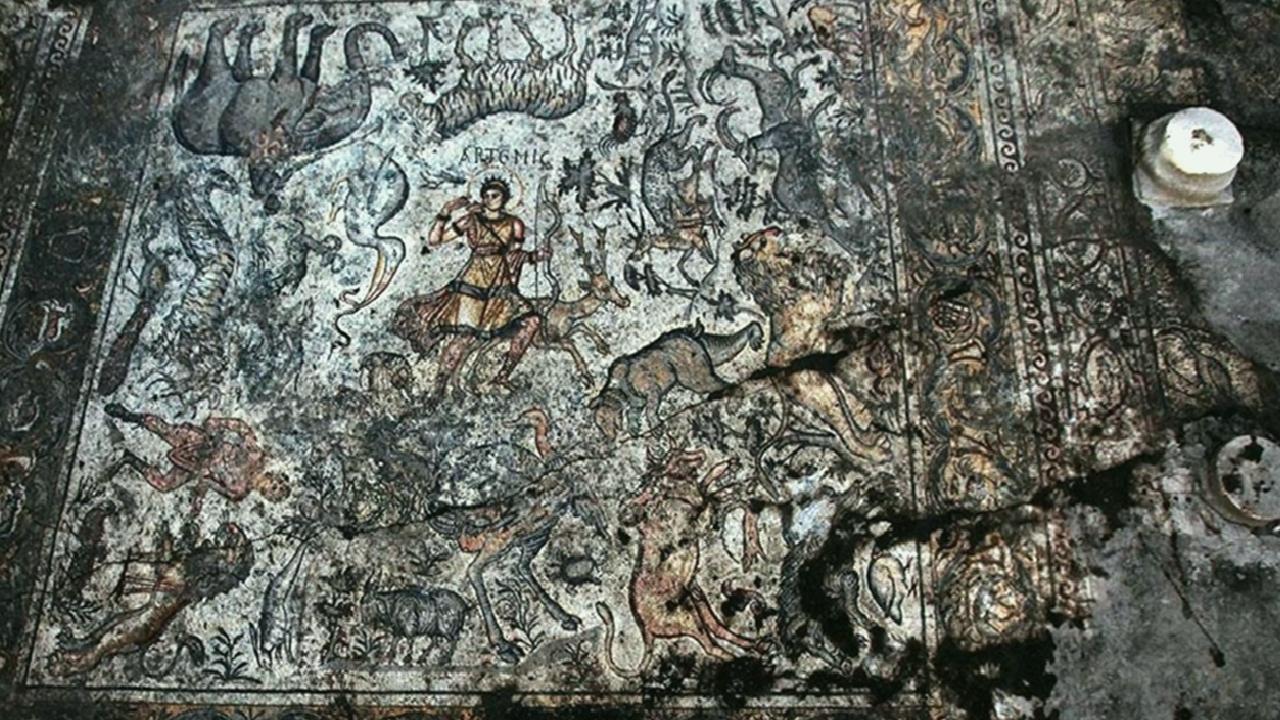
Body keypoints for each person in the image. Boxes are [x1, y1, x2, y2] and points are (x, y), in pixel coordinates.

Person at [392, 176, 551, 395]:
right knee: (465, 335)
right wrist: (445, 211)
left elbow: (513, 257)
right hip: (473, 281)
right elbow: (435, 240)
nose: (489, 199)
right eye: (486, 196)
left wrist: (533, 256)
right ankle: (439, 388)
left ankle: (502, 376)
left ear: (504, 198)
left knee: (532, 322)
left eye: (495, 195)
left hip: (500, 282)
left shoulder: (514, 224)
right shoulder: (471, 220)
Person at [104, 404, 289, 512]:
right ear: (275, 477)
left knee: (164, 485)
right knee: (166, 430)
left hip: (196, 465)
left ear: (267, 498)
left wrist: (198, 497)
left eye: (272, 495)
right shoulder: (257, 456)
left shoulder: (238, 492)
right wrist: (219, 423)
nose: (270, 488)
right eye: (275, 486)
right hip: (205, 443)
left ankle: (130, 459)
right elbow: (243, 429)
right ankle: (130, 416)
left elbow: (208, 482)